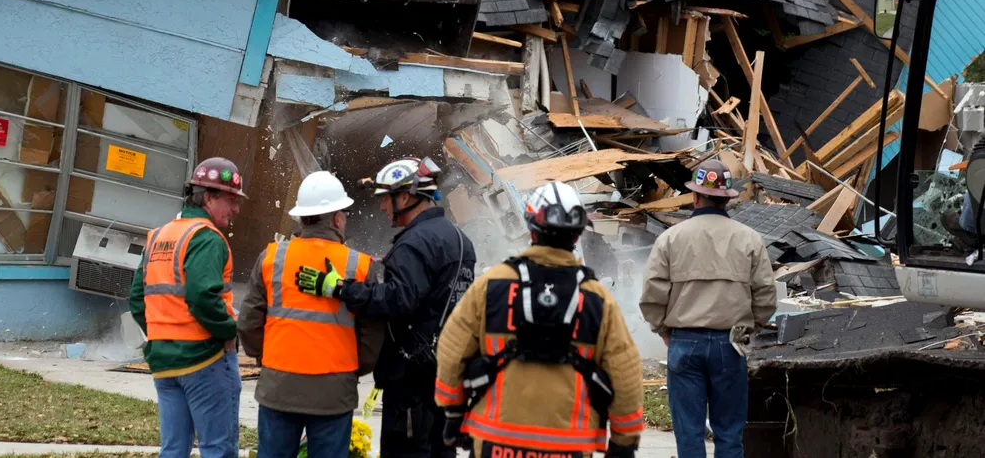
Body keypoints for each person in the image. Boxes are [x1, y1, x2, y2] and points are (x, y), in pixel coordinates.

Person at [434, 181, 645, 457]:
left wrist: (453, 412)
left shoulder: (492, 286)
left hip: (495, 440)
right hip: (569, 445)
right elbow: (626, 377)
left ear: (530, 228)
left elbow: (452, 354)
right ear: (577, 235)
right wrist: (623, 443)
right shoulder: (597, 299)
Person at [294, 157, 475, 458]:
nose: (382, 208)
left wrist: (338, 287)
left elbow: (396, 300)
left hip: (410, 383)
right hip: (446, 376)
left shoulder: (414, 244)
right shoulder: (459, 240)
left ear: (404, 197)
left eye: (386, 199)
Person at [238, 171, 385, 458]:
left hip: (278, 388)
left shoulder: (272, 257)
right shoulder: (360, 265)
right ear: (337, 219)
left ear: (302, 217)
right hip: (333, 394)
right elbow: (372, 333)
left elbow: (248, 322)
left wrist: (264, 359)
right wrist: (355, 370)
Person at [639, 160, 776, 458]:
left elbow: (651, 294)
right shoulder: (749, 239)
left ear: (695, 196)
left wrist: (663, 330)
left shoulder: (671, 239)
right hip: (731, 344)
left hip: (684, 342)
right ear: (727, 197)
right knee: (729, 433)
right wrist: (750, 329)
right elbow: (765, 295)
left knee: (688, 434)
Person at [129, 157, 246, 458]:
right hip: (204, 360)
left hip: (164, 363)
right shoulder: (207, 239)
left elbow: (136, 299)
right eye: (231, 200)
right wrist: (230, 330)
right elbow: (201, 297)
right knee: (218, 448)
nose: (236, 210)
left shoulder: (158, 236)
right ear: (208, 198)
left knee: (173, 450)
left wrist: (163, 333)